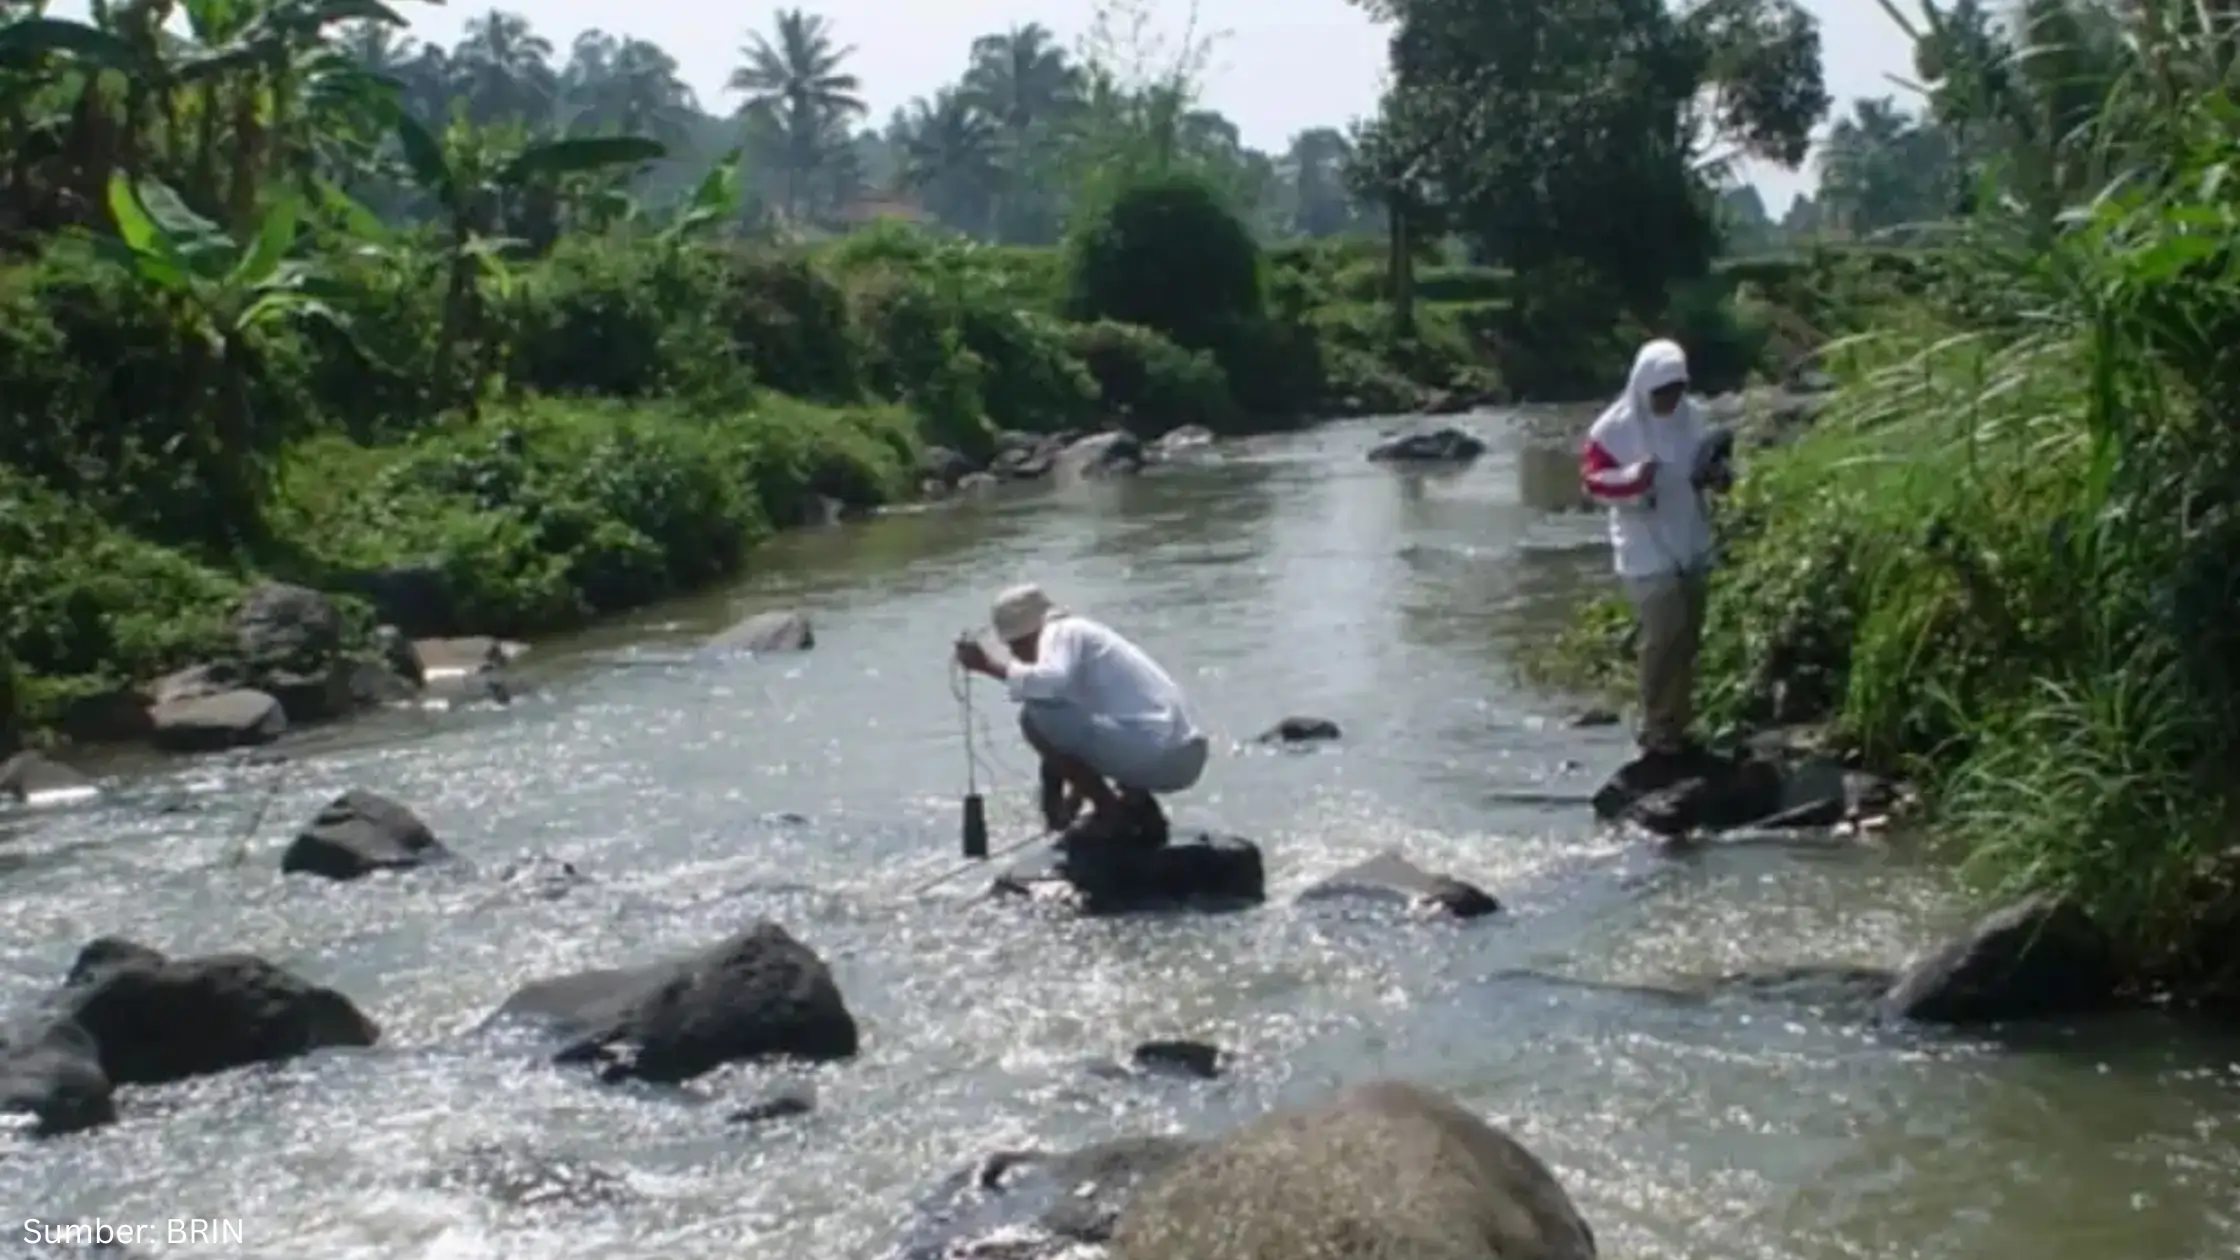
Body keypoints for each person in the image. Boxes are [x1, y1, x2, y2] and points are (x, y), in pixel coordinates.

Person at [952, 583, 1209, 845]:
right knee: (1085, 717)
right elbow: (1085, 742)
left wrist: (988, 666)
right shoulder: (1083, 637)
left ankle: (1111, 815)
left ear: (1026, 634)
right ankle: (1134, 804)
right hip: (1184, 757)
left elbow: (1051, 685)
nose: (1014, 655)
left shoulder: (1059, 632)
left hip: (1154, 753)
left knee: (1034, 718)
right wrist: (1074, 801)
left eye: (1014, 646)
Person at [1579, 338, 1732, 759]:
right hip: (1643, 547)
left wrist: (1716, 474)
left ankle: (1678, 723)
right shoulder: (1613, 430)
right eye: (1662, 391)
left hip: (1690, 536)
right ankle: (1655, 724)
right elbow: (1594, 482)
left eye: (1676, 389)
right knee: (1664, 632)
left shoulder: (1694, 418)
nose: (1670, 399)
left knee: (1689, 636)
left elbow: (1715, 465)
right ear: (1643, 386)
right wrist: (1634, 477)